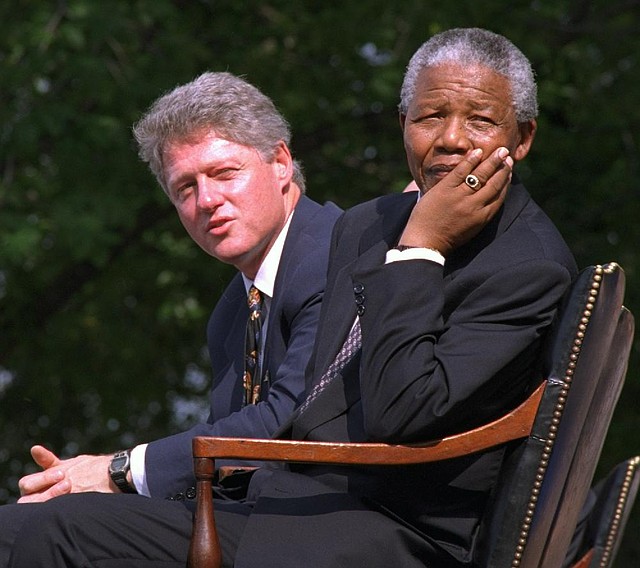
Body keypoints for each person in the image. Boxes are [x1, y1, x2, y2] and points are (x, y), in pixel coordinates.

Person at [2, 28, 578, 567]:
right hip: (294, 500)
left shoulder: (528, 265)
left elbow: (397, 412)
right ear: (404, 124)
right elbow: (317, 402)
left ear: (521, 137)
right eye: (431, 117)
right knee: (39, 521)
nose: (451, 139)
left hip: (391, 526)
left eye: (479, 119)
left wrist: (421, 247)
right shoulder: (363, 229)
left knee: (41, 532)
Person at [0, 72, 341, 564]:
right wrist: (99, 488)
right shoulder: (231, 310)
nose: (206, 201)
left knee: (59, 529)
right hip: (244, 513)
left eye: (224, 173)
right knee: (13, 527)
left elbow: (285, 423)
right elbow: (223, 447)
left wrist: (118, 472)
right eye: (185, 187)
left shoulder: (335, 251)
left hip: (324, 521)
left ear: (281, 163)